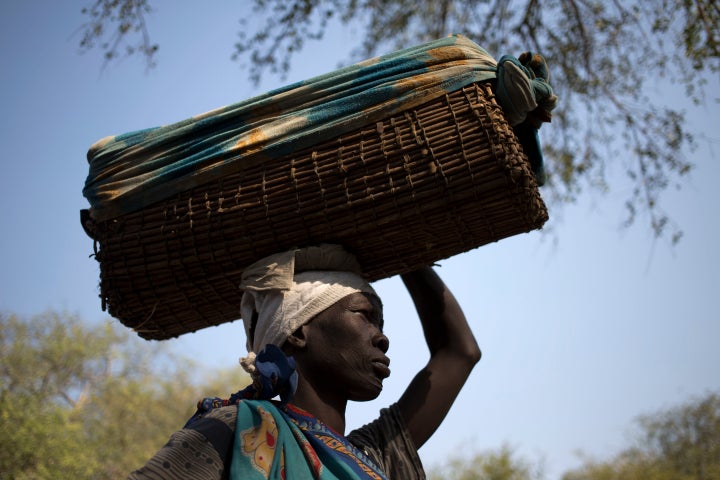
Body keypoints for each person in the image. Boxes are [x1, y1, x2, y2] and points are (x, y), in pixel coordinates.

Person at [128, 244, 481, 479]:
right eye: (364, 316)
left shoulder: (372, 457)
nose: (381, 336)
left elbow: (459, 353)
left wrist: (410, 251)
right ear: (298, 333)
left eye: (381, 323)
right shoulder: (238, 428)